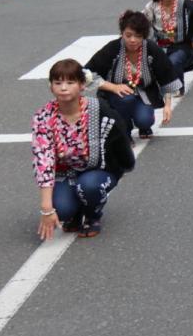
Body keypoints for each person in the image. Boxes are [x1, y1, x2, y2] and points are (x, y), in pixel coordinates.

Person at [31, 59, 136, 239]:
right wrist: (46, 208)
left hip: (99, 169)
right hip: (66, 172)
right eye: (58, 83)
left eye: (70, 82)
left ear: (81, 85)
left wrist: (124, 166)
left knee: (89, 186)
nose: (63, 88)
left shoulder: (99, 109)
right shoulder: (43, 117)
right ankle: (75, 212)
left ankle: (93, 215)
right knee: (61, 211)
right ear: (51, 87)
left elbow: (120, 138)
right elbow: (44, 161)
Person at [85, 10, 182, 139]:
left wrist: (168, 106)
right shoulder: (113, 48)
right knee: (126, 99)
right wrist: (113, 87)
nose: (132, 40)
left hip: (144, 93)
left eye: (138, 36)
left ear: (144, 36)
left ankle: (144, 126)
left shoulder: (152, 49)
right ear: (122, 33)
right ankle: (125, 131)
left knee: (145, 120)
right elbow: (86, 73)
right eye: (128, 35)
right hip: (116, 95)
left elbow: (166, 76)